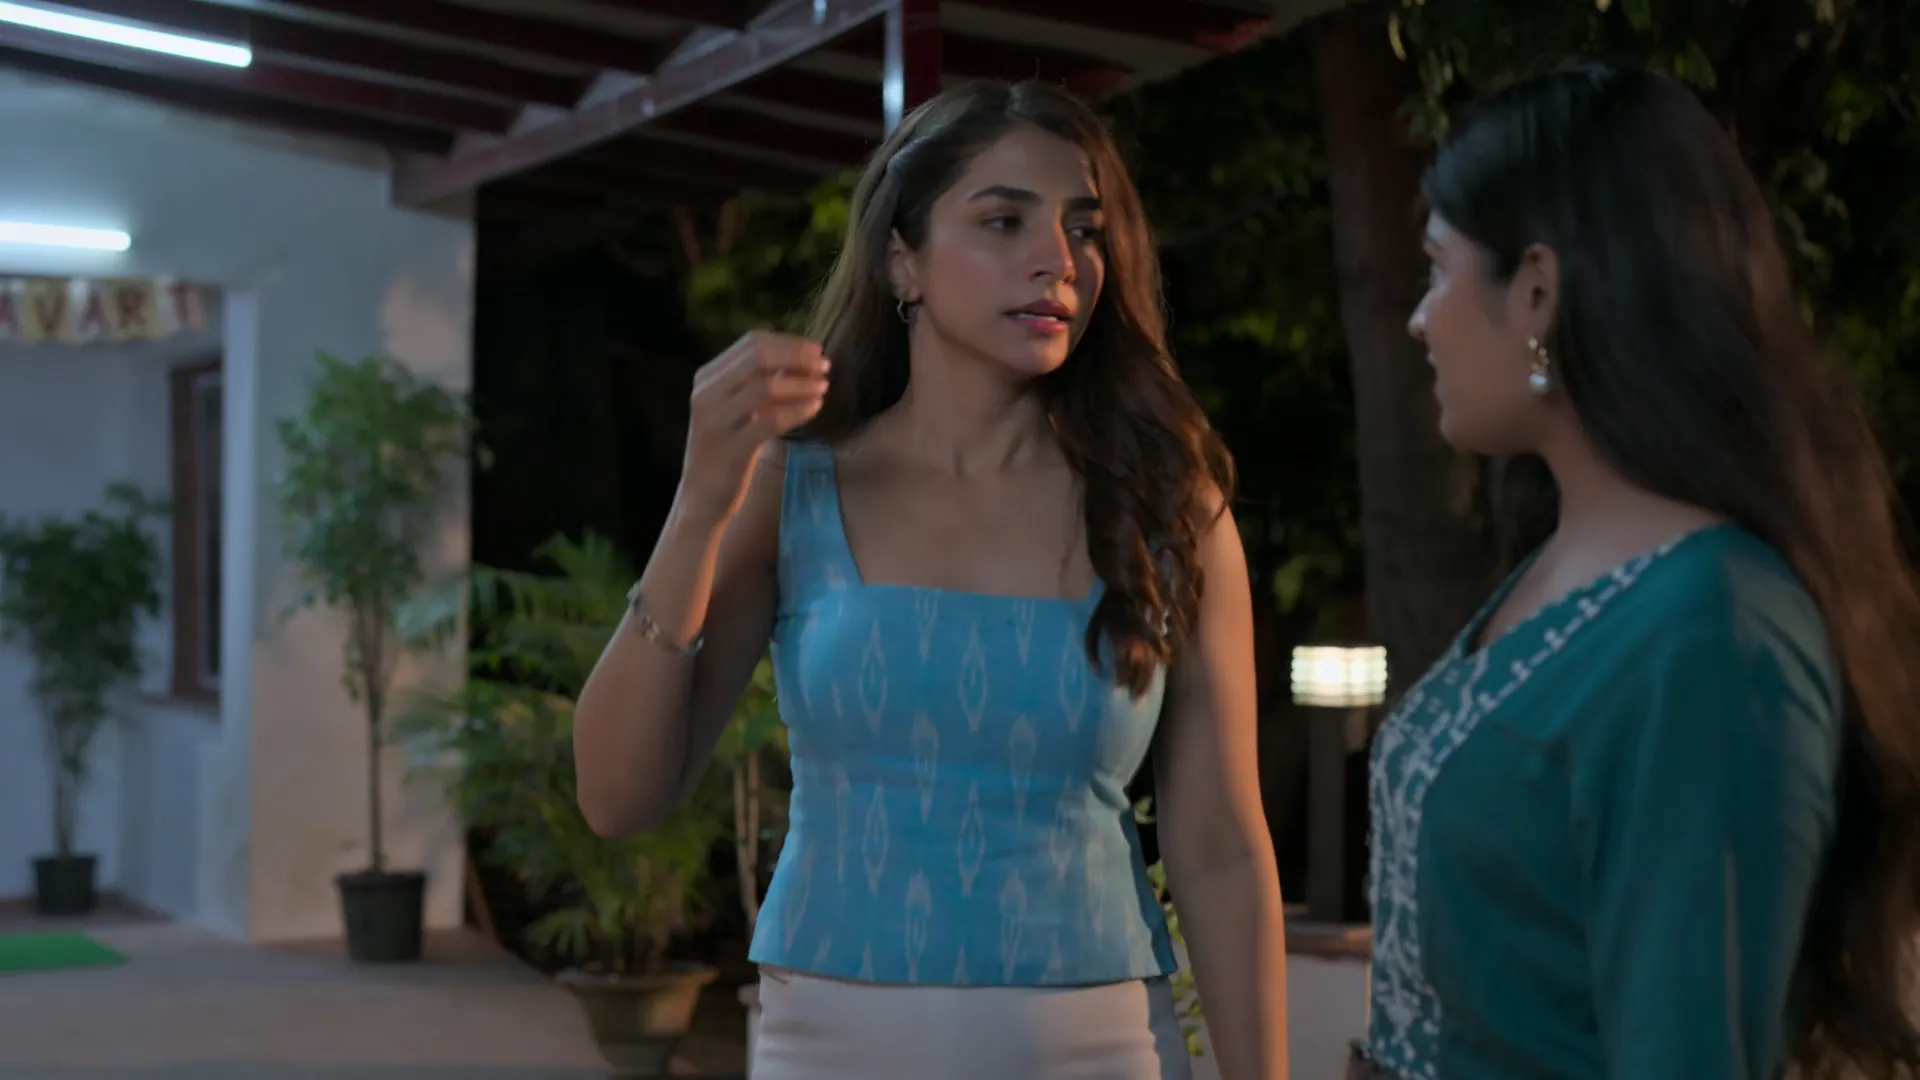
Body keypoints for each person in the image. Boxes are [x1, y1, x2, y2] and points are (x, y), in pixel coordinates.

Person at [572, 80, 1289, 1080]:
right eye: (1004, 220)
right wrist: (699, 504)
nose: (1058, 259)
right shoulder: (793, 485)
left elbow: (1219, 847)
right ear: (900, 258)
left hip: (1098, 1049)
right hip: (827, 1046)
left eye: (1084, 230)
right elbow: (617, 797)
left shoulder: (1167, 508)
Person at [1356, 62, 1920, 1080]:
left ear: (1537, 290)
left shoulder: (1714, 631)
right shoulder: (1557, 572)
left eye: (1439, 269)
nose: (1420, 317)